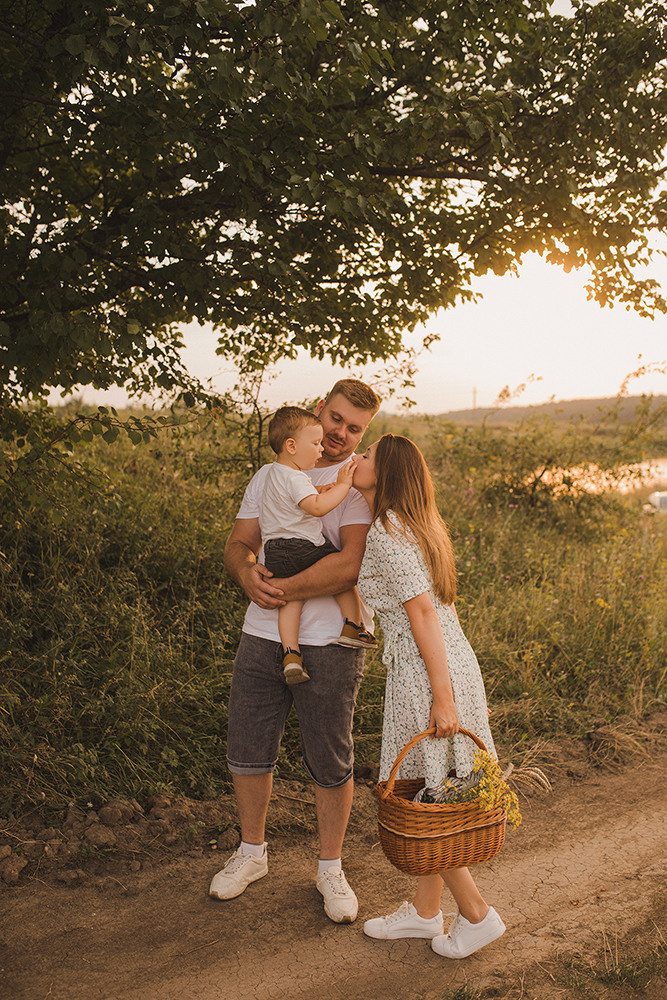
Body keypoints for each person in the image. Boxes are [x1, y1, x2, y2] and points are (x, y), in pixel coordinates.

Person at [209, 379, 381, 923]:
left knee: (330, 754)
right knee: (247, 744)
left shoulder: (358, 484)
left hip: (332, 640)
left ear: (364, 433)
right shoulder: (272, 475)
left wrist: (283, 585)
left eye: (355, 428)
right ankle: (251, 853)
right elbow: (239, 542)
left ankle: (330, 866)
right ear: (318, 412)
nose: (341, 433)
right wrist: (246, 576)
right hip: (262, 633)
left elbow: (349, 564)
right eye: (335, 420)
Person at [352, 433, 506, 959]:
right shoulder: (420, 526)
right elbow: (442, 613)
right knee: (432, 788)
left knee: (425, 801)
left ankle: (478, 914)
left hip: (425, 670)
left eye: (368, 454)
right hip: (452, 659)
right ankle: (423, 914)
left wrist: (443, 697)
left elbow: (420, 613)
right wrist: (462, 686)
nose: (358, 458)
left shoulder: (387, 531)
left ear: (387, 472)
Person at [259, 405, 377, 685]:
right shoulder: (297, 476)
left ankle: (290, 654)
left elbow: (299, 499)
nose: (320, 449)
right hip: (303, 545)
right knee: (342, 579)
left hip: (276, 551)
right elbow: (315, 507)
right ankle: (353, 626)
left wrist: (322, 489)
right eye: (314, 444)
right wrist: (343, 486)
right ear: (291, 446)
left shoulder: (273, 474)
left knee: (290, 600)